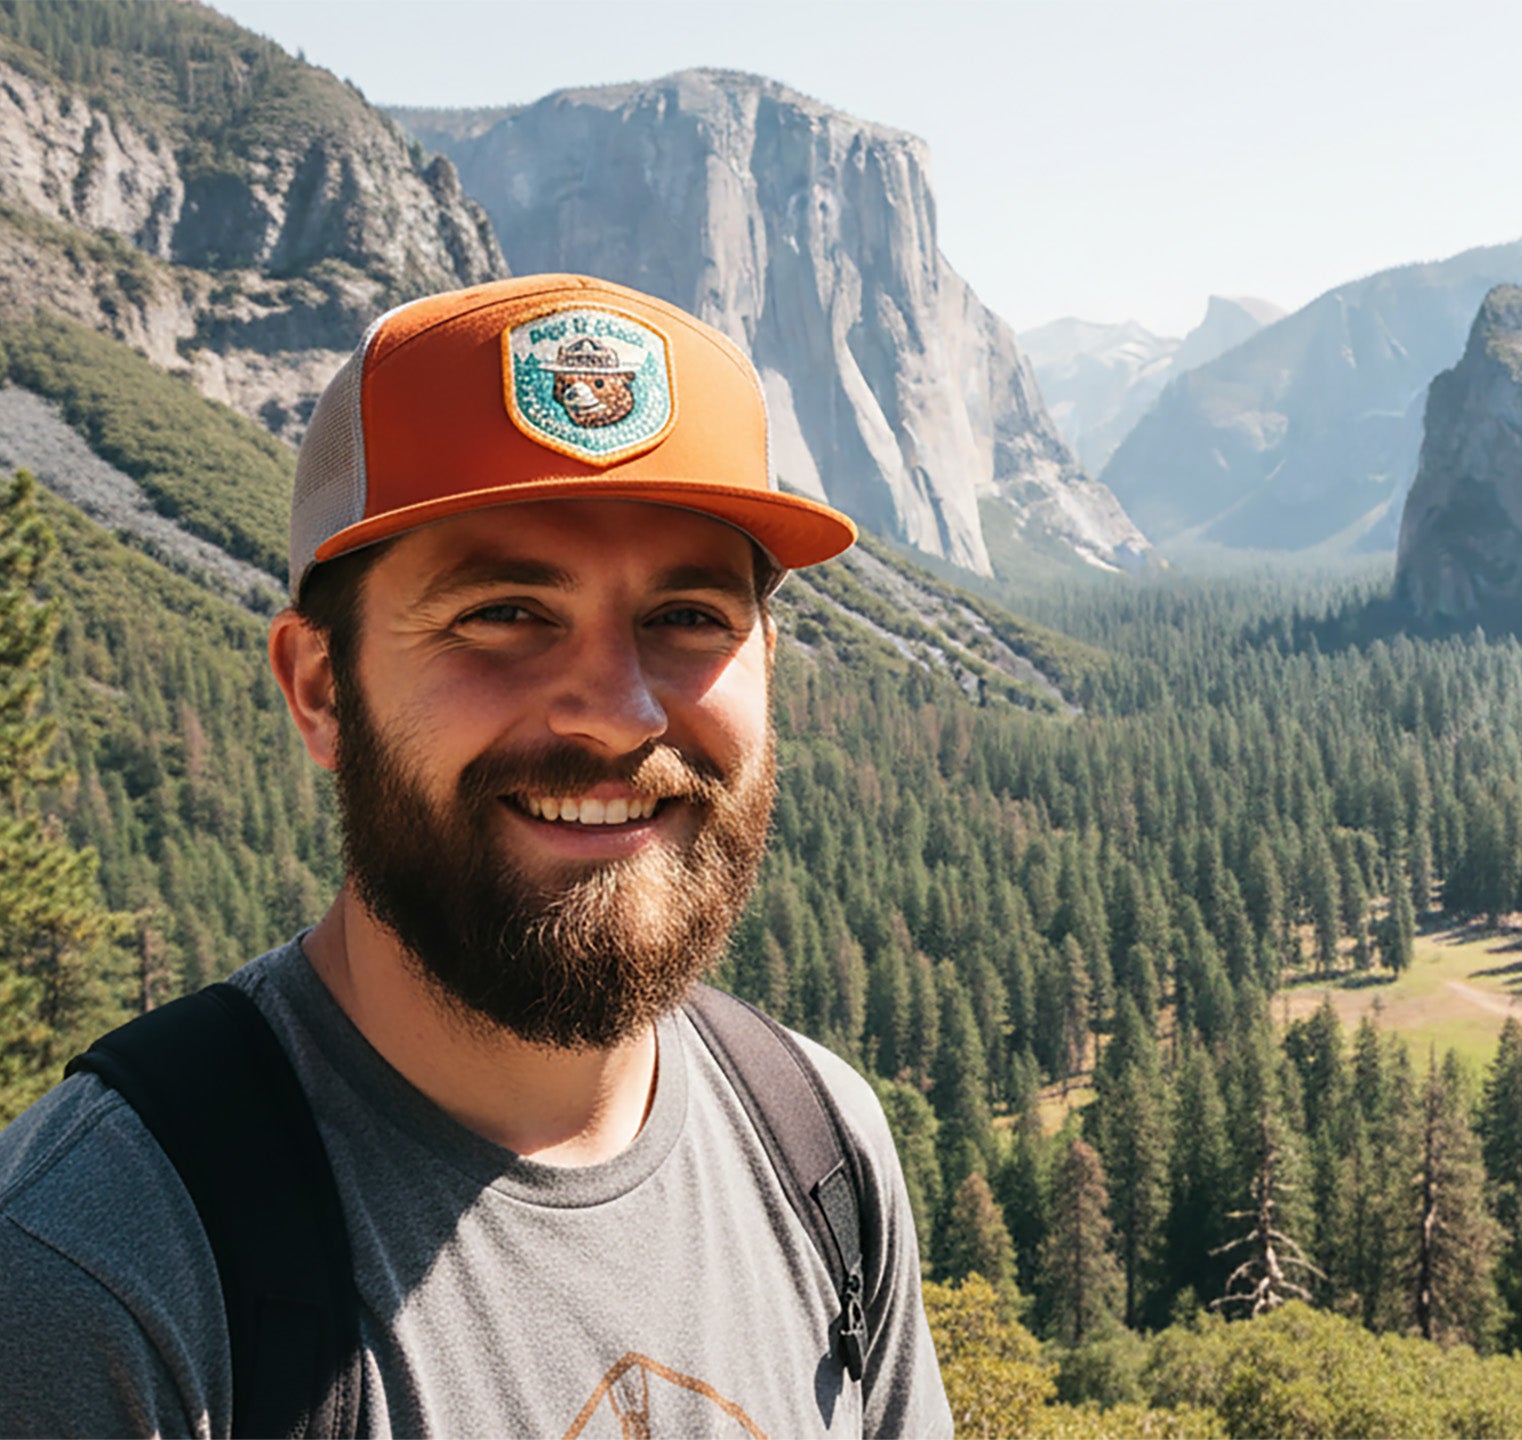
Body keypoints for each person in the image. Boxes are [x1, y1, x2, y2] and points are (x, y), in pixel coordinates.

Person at [0, 274, 953, 1438]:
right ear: (319, 687)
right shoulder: (95, 1276)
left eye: (690, 617)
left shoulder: (824, 1153)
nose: (617, 713)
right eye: (504, 613)